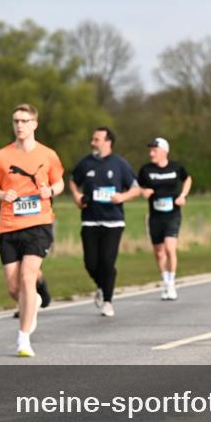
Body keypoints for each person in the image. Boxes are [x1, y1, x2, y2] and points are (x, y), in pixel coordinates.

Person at [0, 104, 65, 357]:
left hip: (39, 223)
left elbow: (60, 181)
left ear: (34, 124)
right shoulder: (1, 156)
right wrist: (1, 194)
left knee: (28, 277)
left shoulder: (48, 154)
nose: (19, 125)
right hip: (8, 225)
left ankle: (23, 339)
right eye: (16, 120)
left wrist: (50, 191)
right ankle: (34, 300)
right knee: (13, 286)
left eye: (24, 120)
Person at [68, 127, 140, 317]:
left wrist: (122, 197)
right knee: (91, 263)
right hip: (90, 220)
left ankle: (107, 301)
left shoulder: (120, 164)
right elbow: (73, 181)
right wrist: (77, 196)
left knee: (107, 262)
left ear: (108, 142)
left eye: (96, 139)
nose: (92, 143)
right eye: (92, 139)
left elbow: (136, 188)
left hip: (113, 222)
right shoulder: (86, 162)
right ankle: (101, 285)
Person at [137, 137, 192, 301]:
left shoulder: (176, 167)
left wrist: (183, 195)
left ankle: (172, 283)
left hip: (173, 214)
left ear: (164, 151)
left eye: (154, 150)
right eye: (150, 150)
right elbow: (138, 185)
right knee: (159, 253)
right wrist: (143, 191)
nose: (151, 153)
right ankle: (165, 281)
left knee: (170, 248)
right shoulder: (146, 169)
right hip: (155, 216)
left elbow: (188, 179)